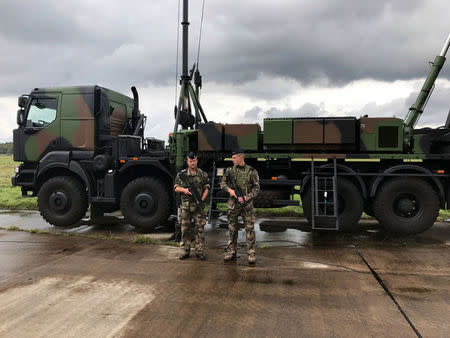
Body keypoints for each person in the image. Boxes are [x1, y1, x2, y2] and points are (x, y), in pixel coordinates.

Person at [220, 150, 260, 264]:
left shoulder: (251, 171)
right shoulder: (230, 171)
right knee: (232, 229)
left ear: (240, 158)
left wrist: (247, 197)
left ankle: (251, 253)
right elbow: (222, 183)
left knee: (250, 229)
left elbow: (257, 188)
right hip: (233, 205)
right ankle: (231, 251)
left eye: (234, 158)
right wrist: (230, 190)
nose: (232, 160)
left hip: (247, 205)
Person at [174, 152, 210, 260]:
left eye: (194, 161)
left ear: (197, 161)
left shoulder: (203, 174)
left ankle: (199, 251)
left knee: (200, 229)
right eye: (190, 161)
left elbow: (207, 188)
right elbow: (176, 188)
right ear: (187, 161)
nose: (192, 163)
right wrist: (184, 190)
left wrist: (201, 200)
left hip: (198, 206)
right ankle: (186, 251)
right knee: (185, 229)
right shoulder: (182, 174)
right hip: (185, 207)